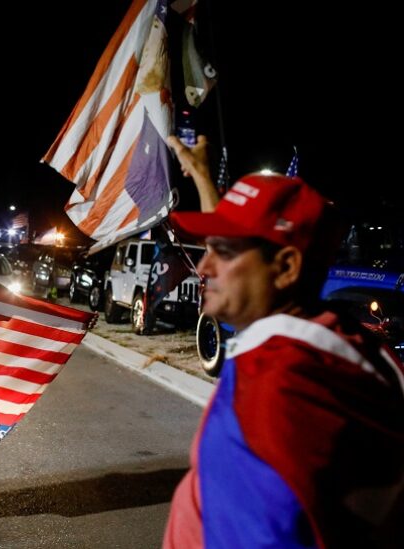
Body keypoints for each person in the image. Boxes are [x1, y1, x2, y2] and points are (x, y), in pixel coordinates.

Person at [162, 138, 404, 547]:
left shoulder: (277, 388)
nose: (204, 266)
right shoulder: (323, 339)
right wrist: (203, 177)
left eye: (223, 250)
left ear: (286, 267)